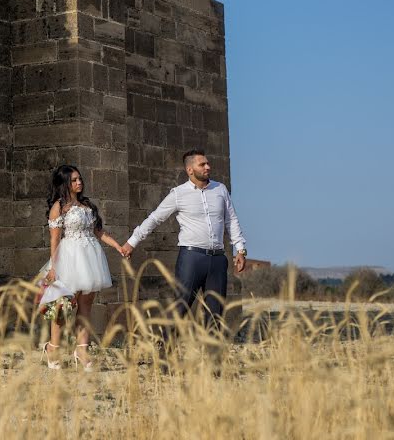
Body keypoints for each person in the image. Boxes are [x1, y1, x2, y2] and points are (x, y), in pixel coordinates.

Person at [121, 150, 248, 330]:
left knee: (216, 312)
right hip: (191, 258)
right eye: (202, 164)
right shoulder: (178, 194)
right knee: (181, 306)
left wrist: (240, 249)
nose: (208, 167)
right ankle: (165, 353)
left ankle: (212, 356)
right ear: (190, 170)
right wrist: (132, 242)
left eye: (208, 163)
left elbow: (231, 220)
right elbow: (155, 218)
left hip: (218, 259)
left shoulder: (220, 189)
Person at [38, 165, 127, 370]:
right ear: (65, 183)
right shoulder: (59, 207)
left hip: (90, 258)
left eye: (80, 179)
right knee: (63, 307)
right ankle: (53, 347)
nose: (80, 183)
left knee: (86, 305)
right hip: (69, 259)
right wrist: (54, 266)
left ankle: (82, 350)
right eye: (75, 180)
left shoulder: (87, 206)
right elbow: (55, 239)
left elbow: (98, 232)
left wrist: (118, 247)